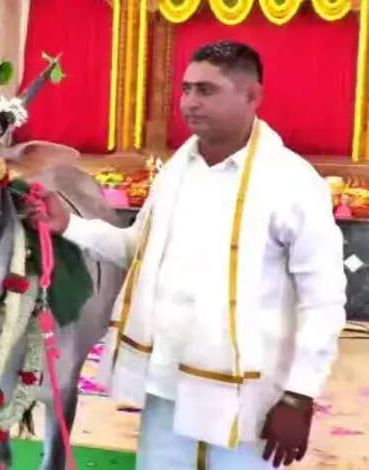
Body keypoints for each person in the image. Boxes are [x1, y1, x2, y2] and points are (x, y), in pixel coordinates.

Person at [29, 41, 346, 469]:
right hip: (166, 389)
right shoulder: (176, 171)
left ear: (251, 96)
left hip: (245, 402)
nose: (190, 103)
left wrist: (299, 395)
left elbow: (322, 299)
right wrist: (69, 225)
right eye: (186, 89)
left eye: (206, 90)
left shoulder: (292, 182)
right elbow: (137, 253)